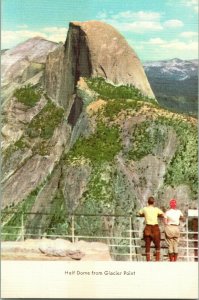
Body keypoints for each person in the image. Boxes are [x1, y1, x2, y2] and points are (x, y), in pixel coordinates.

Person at [138, 196, 164, 261]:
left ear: (148, 202)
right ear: (153, 202)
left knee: (147, 244)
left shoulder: (144, 209)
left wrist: (144, 215)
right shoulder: (156, 209)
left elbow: (139, 213)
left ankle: (148, 260)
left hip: (148, 228)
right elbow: (162, 214)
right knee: (157, 245)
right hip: (155, 227)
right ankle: (157, 260)